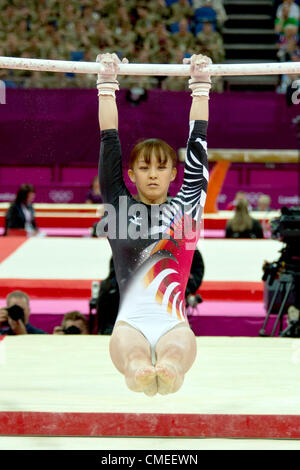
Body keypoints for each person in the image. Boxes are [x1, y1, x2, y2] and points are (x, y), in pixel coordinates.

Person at [96, 52, 210, 396]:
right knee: (135, 360)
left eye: (161, 167)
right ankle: (141, 372)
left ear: (174, 174)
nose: (153, 174)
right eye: (144, 168)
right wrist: (106, 83)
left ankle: (169, 370)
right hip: (129, 323)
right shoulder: (118, 204)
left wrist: (201, 85)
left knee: (172, 358)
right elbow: (108, 140)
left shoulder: (189, 202)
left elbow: (198, 140)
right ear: (131, 175)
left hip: (174, 322)